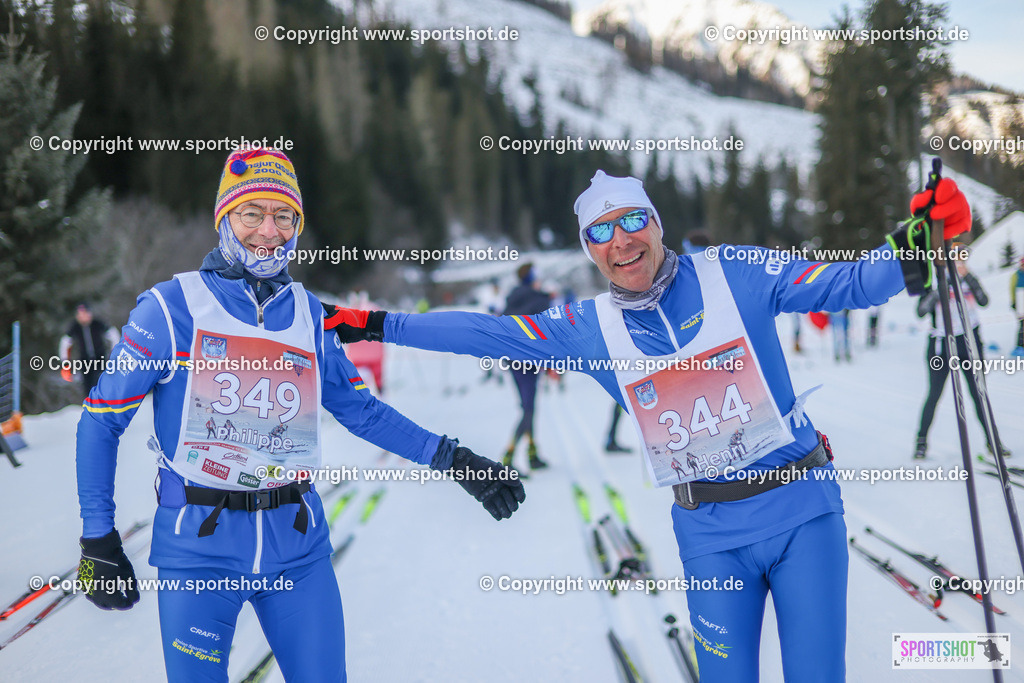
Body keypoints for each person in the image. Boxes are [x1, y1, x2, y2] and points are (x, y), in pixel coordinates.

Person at [326, 169, 972, 681]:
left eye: (634, 220)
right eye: (601, 231)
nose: (622, 240)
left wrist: (915, 239)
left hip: (803, 513)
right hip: (710, 534)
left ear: (656, 224)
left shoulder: (734, 273)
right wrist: (381, 324)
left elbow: (846, 284)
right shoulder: (588, 329)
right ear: (588, 249)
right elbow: (485, 331)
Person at [74, 147, 525, 683]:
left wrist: (456, 460)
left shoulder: (310, 316)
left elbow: (361, 412)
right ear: (225, 217)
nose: (269, 230)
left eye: (283, 216)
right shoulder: (172, 309)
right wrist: (97, 538)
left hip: (297, 547)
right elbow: (102, 420)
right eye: (252, 213)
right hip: (198, 553)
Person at [913, 244, 1010, 460]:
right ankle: (921, 442)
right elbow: (920, 311)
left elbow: (984, 301)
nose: (961, 264)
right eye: (957, 260)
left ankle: (993, 442)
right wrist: (940, 289)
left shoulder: (968, 279)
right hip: (941, 346)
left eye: (963, 260)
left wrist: (969, 279)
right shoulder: (935, 280)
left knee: (979, 394)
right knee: (934, 395)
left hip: (969, 343)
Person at [501, 262, 552, 472]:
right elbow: (543, 319)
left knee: (529, 407)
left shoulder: (513, 297)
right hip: (526, 362)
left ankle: (532, 453)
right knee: (528, 409)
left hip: (516, 360)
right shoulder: (534, 298)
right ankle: (508, 457)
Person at [59, 302, 119, 397]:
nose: (82, 317)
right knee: (88, 387)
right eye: (79, 315)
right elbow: (65, 343)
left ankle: (108, 403)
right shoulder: (75, 327)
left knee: (104, 382)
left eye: (84, 314)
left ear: (89, 314)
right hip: (85, 361)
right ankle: (91, 406)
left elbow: (113, 334)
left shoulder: (97, 323)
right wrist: (65, 362)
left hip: (100, 358)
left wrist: (115, 353)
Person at [1011, 256, 1024, 357]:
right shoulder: (1016, 275)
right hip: (1020, 301)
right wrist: (1014, 302)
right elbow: (1012, 288)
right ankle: (1020, 345)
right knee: (1022, 324)